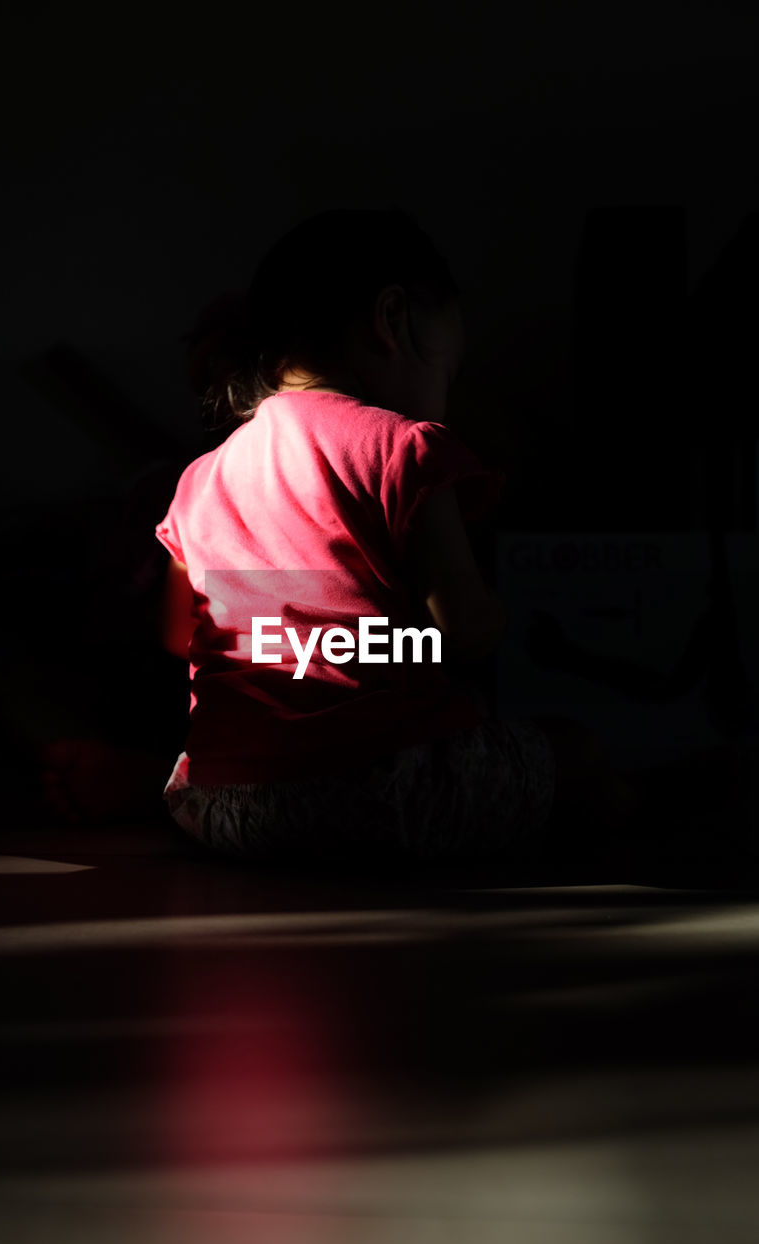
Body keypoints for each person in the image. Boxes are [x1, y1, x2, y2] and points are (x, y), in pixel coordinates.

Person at [150, 206, 661, 867]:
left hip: (218, 805)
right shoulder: (404, 449)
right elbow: (463, 627)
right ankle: (654, 804)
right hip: (384, 791)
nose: (443, 392)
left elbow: (174, 636)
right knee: (573, 752)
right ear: (392, 321)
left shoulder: (198, 478)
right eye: (448, 369)